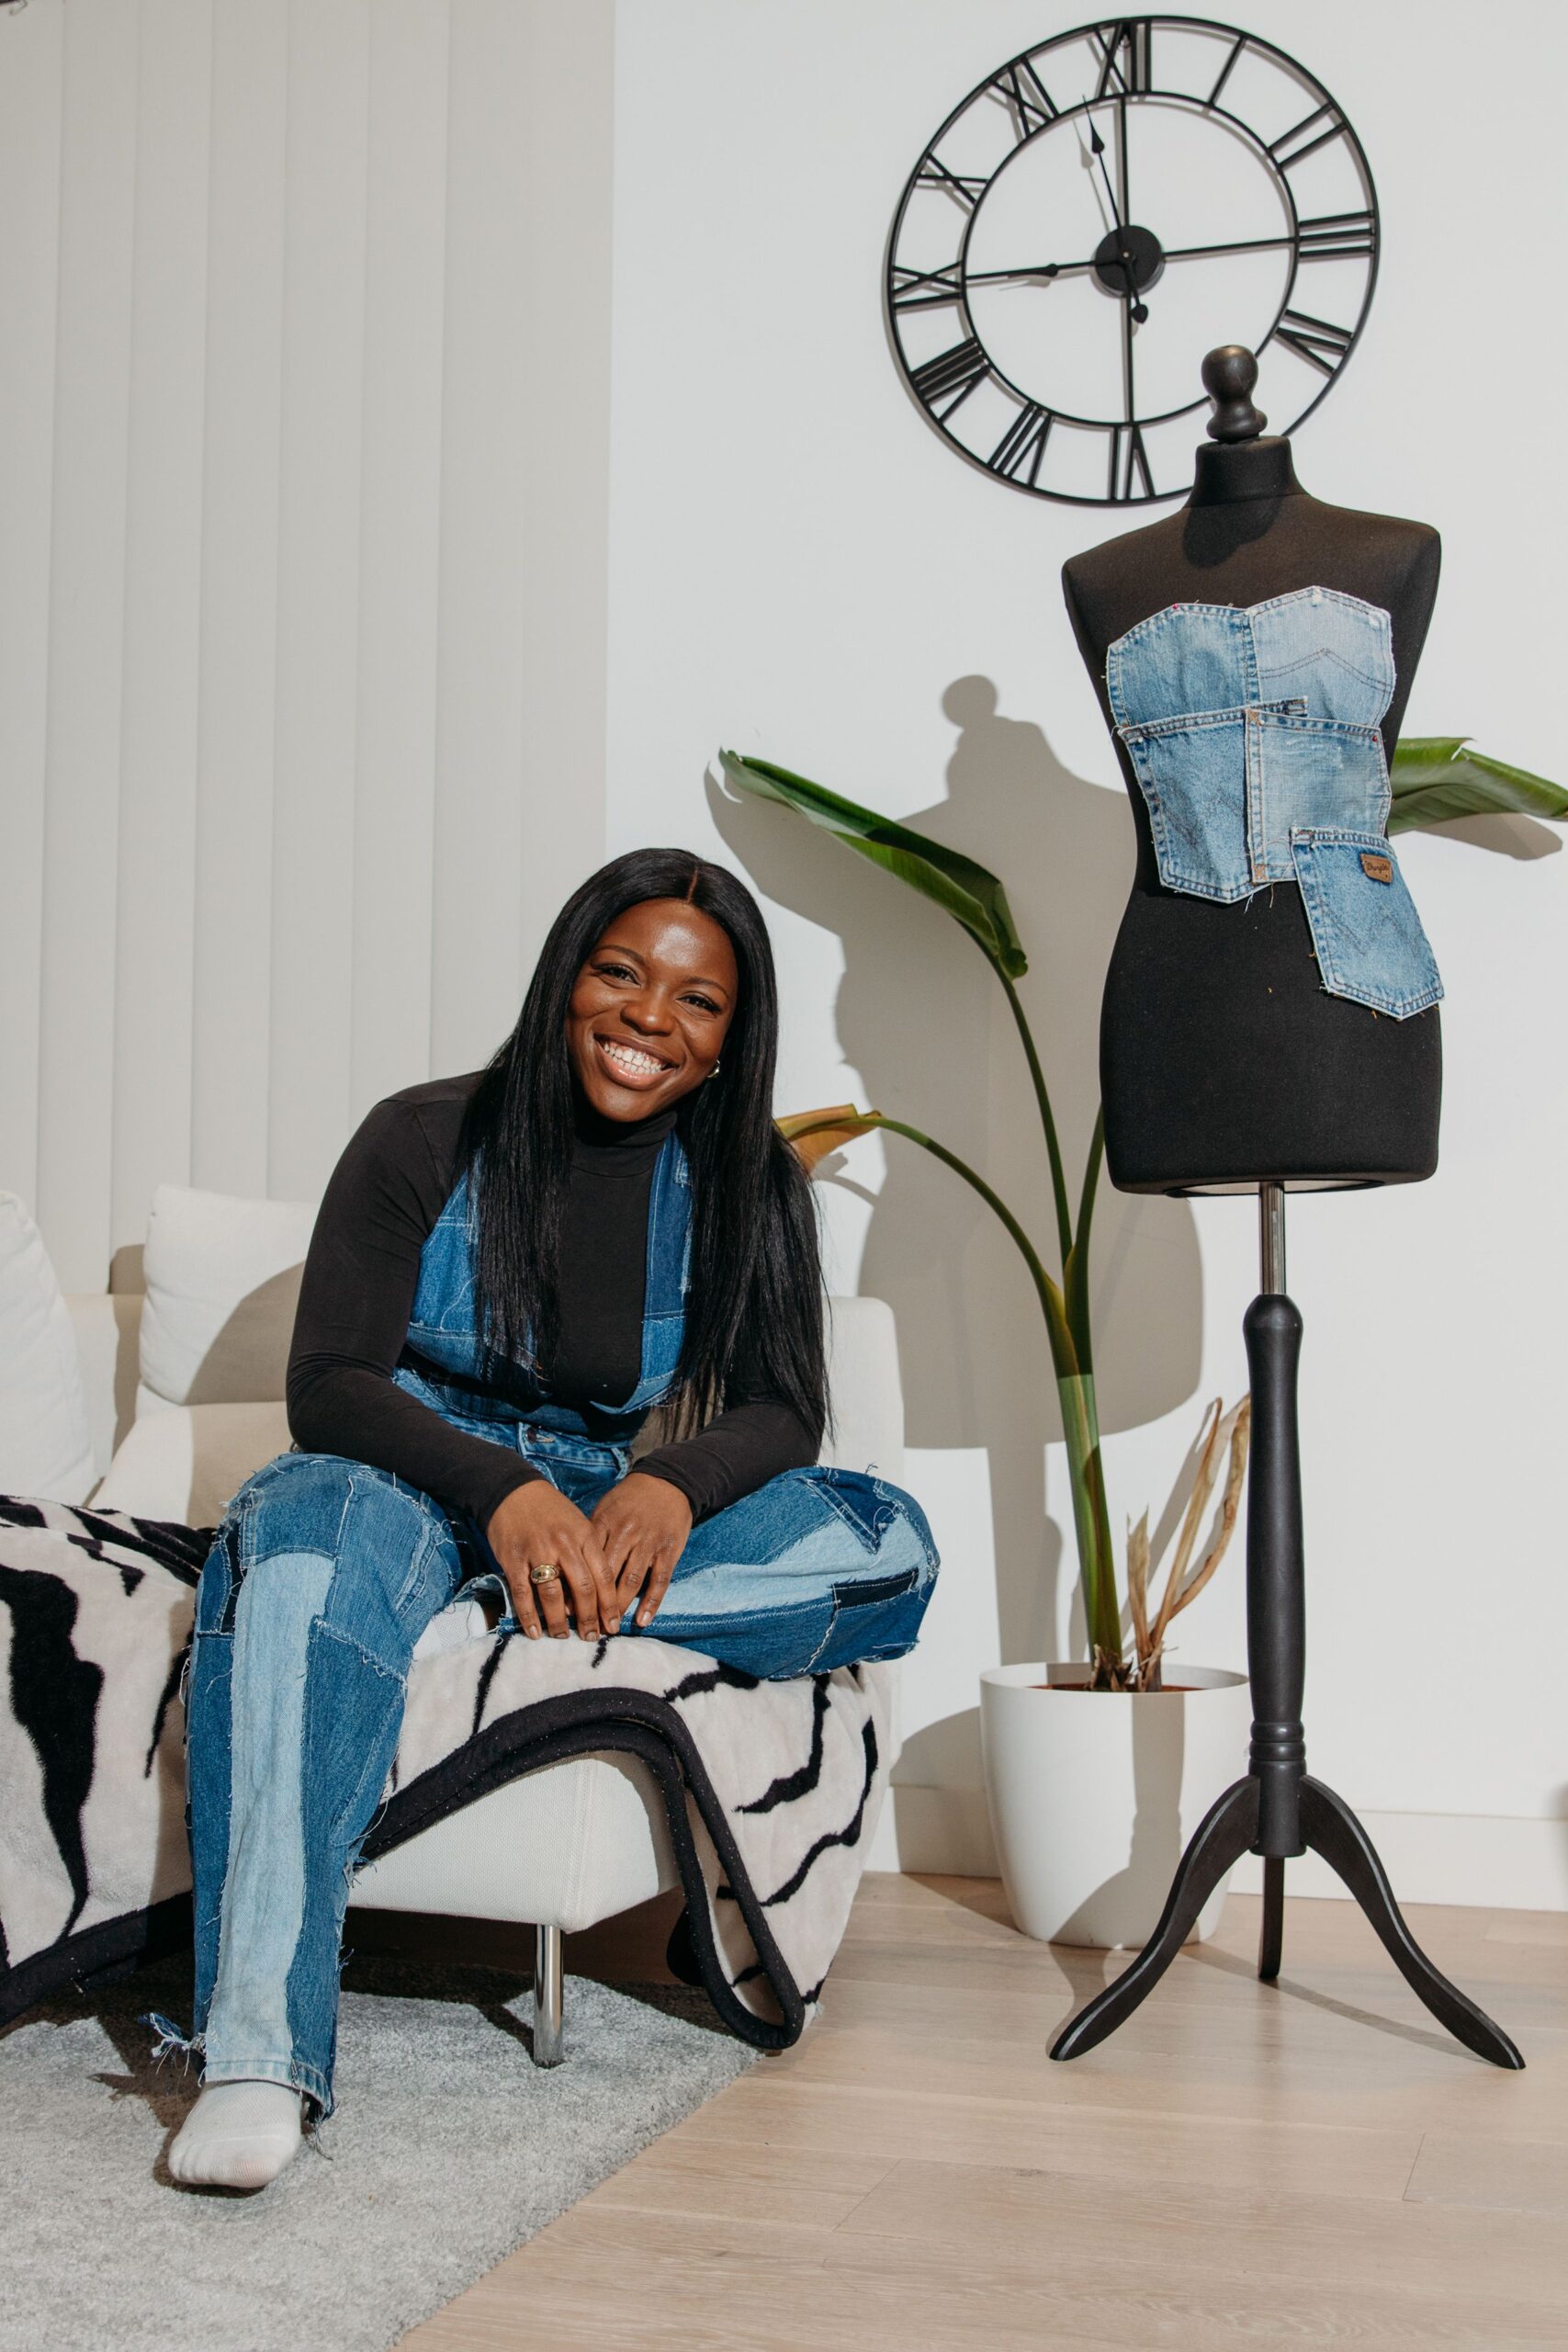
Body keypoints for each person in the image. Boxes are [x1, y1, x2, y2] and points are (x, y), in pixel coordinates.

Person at [168, 847, 939, 2189]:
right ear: (567, 978)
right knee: (296, 1560)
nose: (651, 1019)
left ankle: (500, 1607)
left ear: (726, 1042)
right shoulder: (422, 1134)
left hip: (595, 1500)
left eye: (699, 1003)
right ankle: (255, 2058)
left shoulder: (745, 1183)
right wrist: (500, 1493)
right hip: (399, 1478)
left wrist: (662, 1485)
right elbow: (329, 1382)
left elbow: (781, 1412)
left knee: (887, 1546)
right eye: (622, 974)